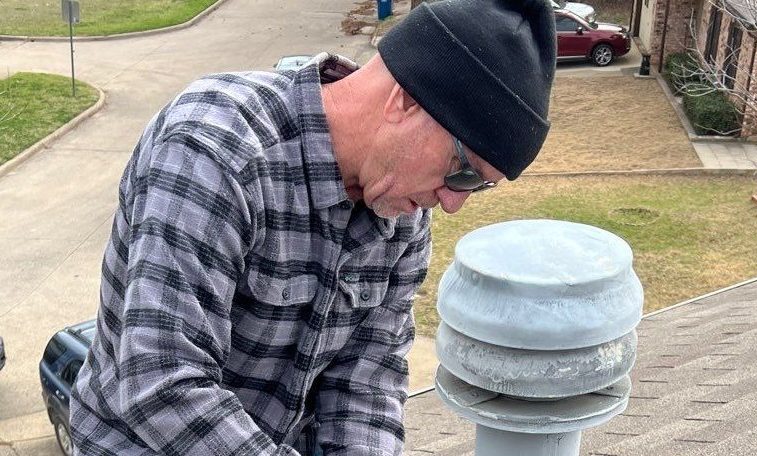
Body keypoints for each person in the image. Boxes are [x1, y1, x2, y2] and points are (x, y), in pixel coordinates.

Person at [69, 0, 556, 454]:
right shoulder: (215, 147)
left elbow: (366, 383)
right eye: (463, 170)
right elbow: (162, 380)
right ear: (406, 101)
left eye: (478, 187)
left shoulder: (403, 216)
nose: (453, 203)